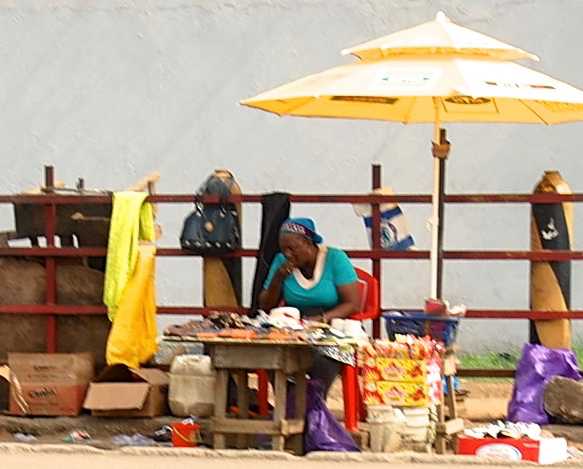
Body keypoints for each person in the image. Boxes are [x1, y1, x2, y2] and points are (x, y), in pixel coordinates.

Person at [259, 217, 361, 396]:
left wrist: (320, 320)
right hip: (295, 327)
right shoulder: (280, 261)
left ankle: (315, 402)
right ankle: (289, 401)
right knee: (272, 354)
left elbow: (352, 303)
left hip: (332, 325)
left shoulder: (335, 258)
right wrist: (277, 279)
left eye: (292, 248)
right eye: (283, 249)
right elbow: (266, 304)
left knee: (324, 357)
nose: (287, 254)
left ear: (308, 243)